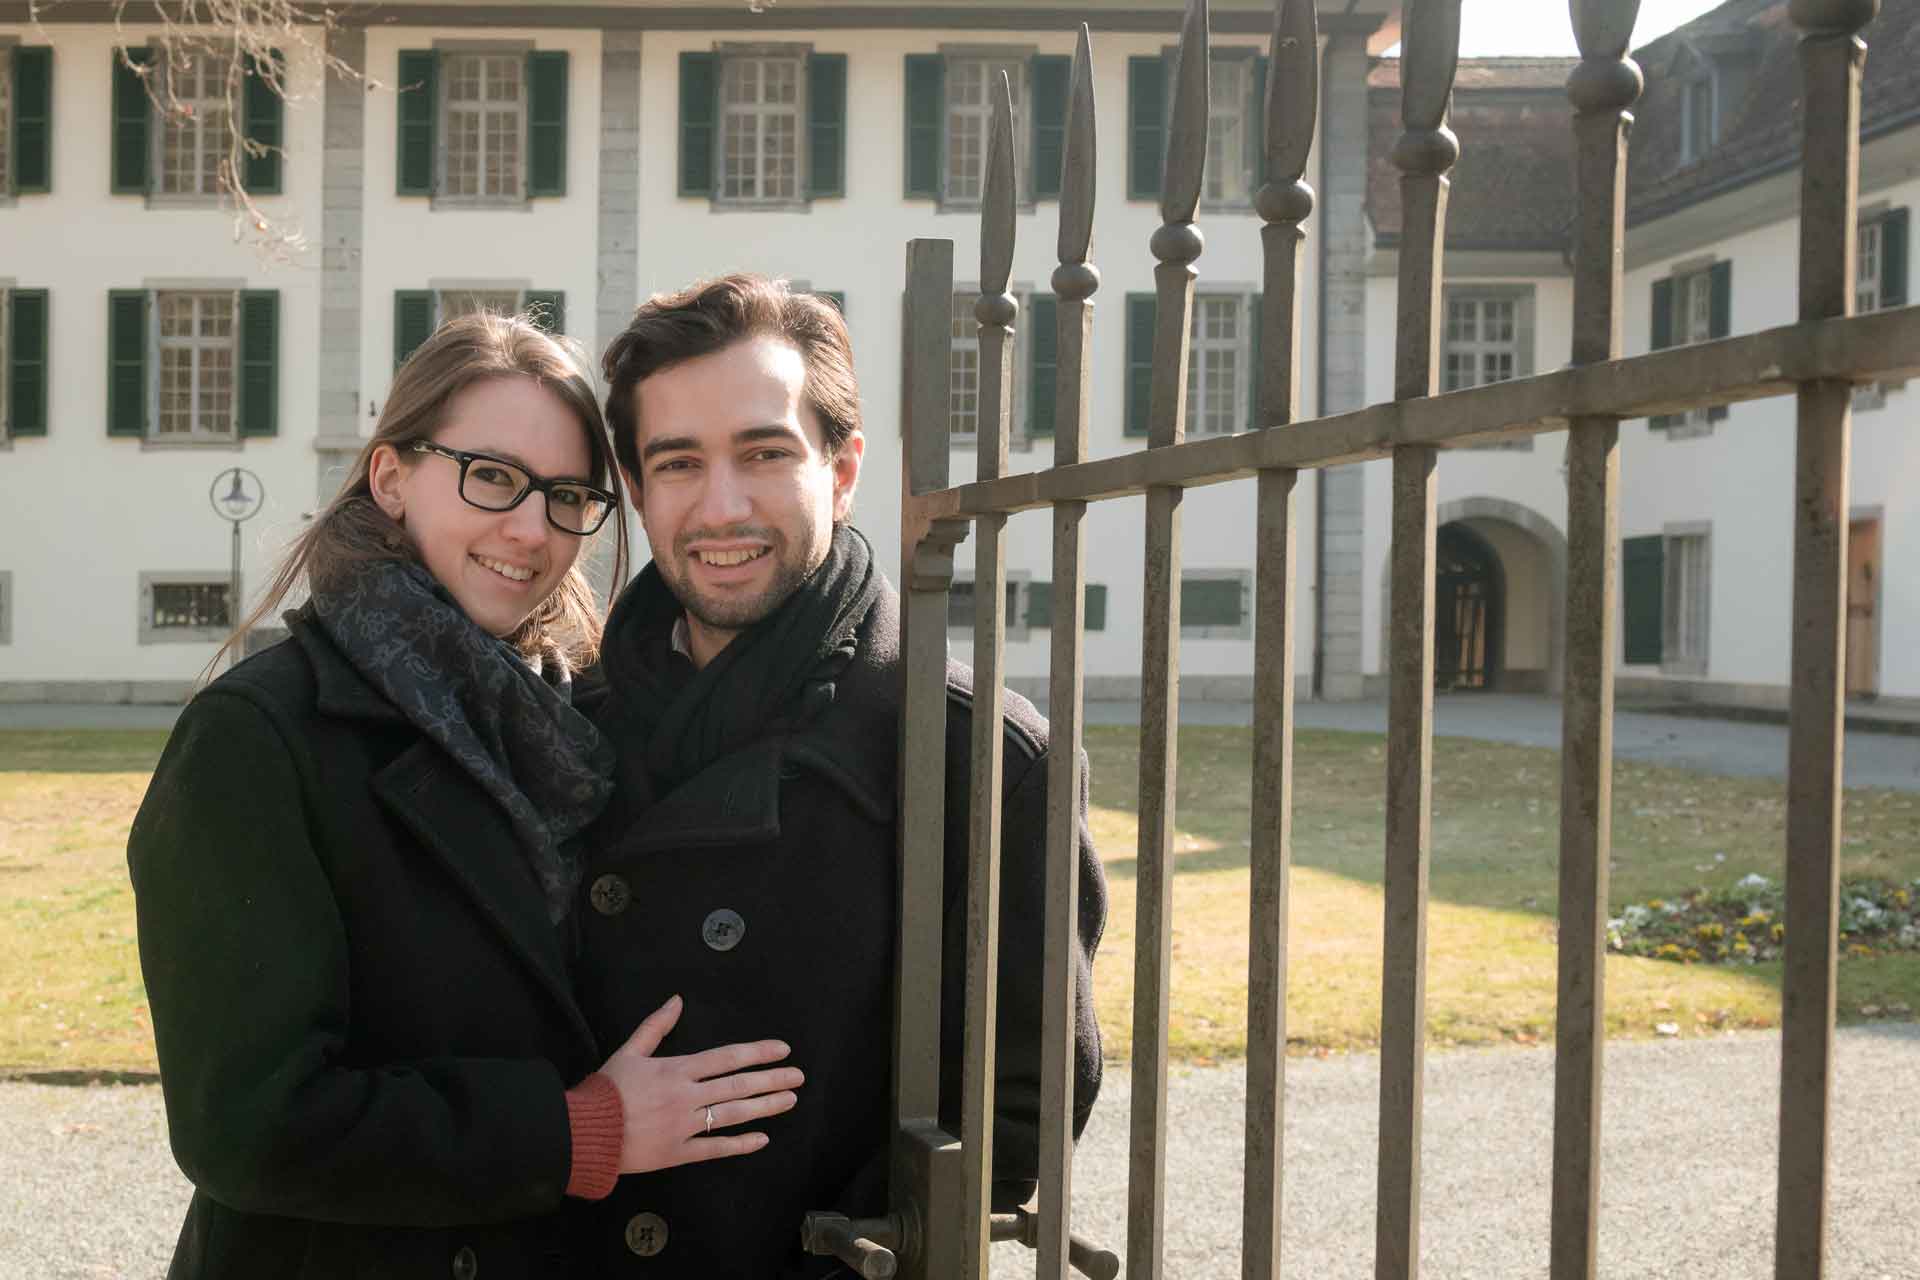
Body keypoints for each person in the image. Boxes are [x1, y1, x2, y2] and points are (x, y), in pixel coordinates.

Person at [127, 314, 806, 1280]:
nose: (531, 530)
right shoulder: (259, 737)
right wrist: (579, 1132)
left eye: (568, 496)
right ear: (392, 477)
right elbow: (248, 1125)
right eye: (492, 476)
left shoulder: (579, 717)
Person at [571, 275, 1107, 1275]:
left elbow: (1013, 1115)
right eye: (677, 462)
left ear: (844, 466)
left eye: (765, 451)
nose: (720, 505)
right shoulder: (567, 723)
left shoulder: (983, 753)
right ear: (637, 492)